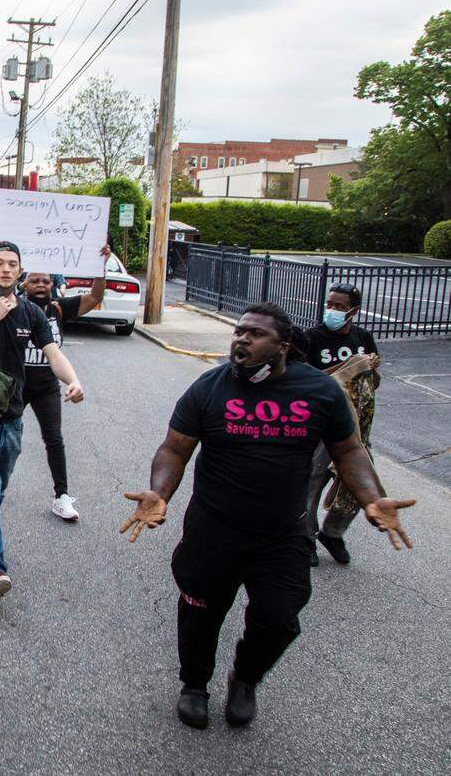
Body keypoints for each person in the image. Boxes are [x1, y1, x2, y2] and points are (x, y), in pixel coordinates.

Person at [121, 302, 414, 730]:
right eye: (239, 331)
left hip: (283, 533)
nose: (241, 338)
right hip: (213, 530)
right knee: (200, 612)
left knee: (279, 619)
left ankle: (246, 679)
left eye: (255, 333)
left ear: (283, 346)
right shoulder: (209, 388)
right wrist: (159, 491)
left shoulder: (319, 391)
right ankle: (195, 685)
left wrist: (372, 497)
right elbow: (175, 447)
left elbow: (349, 449)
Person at [0, 242, 85, 596]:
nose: (5, 269)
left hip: (13, 419)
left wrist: (73, 380)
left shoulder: (32, 313)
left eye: (12, 264)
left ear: (20, 271)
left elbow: (53, 353)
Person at [302, 283, 381, 566]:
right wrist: (347, 368)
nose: (332, 311)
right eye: (330, 304)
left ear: (353, 311)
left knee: (358, 480)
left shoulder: (362, 336)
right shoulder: (312, 337)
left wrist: (369, 362)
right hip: (322, 422)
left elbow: (372, 372)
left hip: (355, 423)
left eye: (339, 306)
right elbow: (305, 377)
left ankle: (333, 532)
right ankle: (306, 538)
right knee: (314, 478)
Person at [21, 270, 106, 520]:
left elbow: (95, 296)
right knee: (3, 439)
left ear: (52, 284)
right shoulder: (14, 307)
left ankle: (62, 496)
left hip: (46, 385)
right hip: (15, 384)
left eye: (45, 281)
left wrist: (98, 269)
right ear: (25, 283)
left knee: (54, 439)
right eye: (34, 281)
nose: (40, 285)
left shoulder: (59, 308)